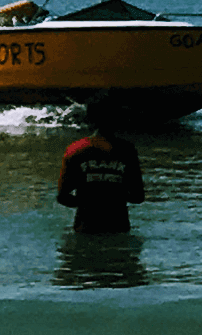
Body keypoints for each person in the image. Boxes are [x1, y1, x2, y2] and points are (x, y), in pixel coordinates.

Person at [56, 97, 145, 234]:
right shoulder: (127, 151)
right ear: (118, 119)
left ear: (89, 119)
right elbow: (138, 197)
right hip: (117, 227)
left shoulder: (75, 150)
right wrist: (113, 196)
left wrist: (88, 201)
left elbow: (62, 197)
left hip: (85, 228)